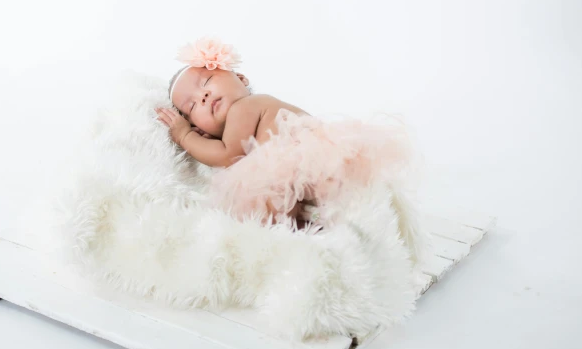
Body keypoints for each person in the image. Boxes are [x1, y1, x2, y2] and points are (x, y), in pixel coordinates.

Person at [155, 37, 411, 230]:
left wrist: (184, 136)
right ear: (199, 126)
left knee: (266, 207)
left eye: (207, 81)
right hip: (310, 168)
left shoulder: (245, 107)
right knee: (299, 214)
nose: (204, 95)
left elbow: (227, 156)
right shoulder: (242, 120)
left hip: (303, 160)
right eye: (192, 105)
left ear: (241, 78)